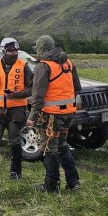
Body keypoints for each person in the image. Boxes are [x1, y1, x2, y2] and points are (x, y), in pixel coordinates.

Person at [26, 35, 82, 193]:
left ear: (41, 49)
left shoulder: (43, 66)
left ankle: (51, 186)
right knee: (62, 145)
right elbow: (77, 87)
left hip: (51, 116)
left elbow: (38, 96)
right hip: (68, 114)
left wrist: (32, 117)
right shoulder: (68, 63)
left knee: (50, 149)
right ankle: (73, 182)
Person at [0, 37, 33, 184]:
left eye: (16, 49)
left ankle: (16, 173)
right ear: (4, 50)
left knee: (15, 141)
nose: (14, 52)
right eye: (11, 50)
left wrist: (16, 95)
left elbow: (32, 88)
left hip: (17, 111)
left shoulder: (23, 66)